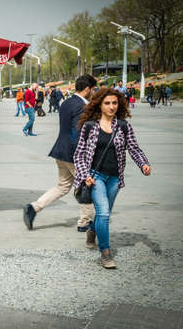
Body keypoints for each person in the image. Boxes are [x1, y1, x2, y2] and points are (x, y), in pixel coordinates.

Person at [73, 88, 151, 269]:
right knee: (104, 213)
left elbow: (134, 148)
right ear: (99, 105)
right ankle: (105, 252)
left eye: (114, 103)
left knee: (103, 213)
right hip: (95, 177)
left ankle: (92, 230)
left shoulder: (123, 126)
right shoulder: (90, 126)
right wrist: (85, 175)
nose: (111, 106)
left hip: (115, 178)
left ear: (119, 104)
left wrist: (143, 164)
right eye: (107, 103)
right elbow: (79, 154)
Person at [23, 75, 97, 232]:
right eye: (93, 89)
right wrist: (83, 157)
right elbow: (77, 133)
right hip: (73, 153)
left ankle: (34, 207)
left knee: (63, 186)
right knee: (86, 185)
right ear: (87, 89)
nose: (94, 92)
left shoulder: (66, 103)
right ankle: (85, 222)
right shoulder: (83, 107)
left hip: (60, 150)